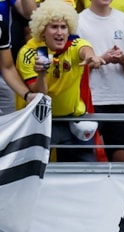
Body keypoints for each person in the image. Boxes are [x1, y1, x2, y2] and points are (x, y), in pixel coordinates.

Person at [16, 0, 105, 162]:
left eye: (63, 27)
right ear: (43, 30)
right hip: (44, 122)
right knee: (41, 172)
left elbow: (85, 50)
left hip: (74, 121)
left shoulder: (74, 44)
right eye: (54, 27)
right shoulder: (30, 52)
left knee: (86, 171)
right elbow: (38, 96)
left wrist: (92, 57)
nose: (60, 32)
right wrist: (42, 74)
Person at [78, 0, 124, 162]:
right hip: (90, 100)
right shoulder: (78, 21)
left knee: (122, 157)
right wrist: (101, 58)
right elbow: (74, 68)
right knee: (89, 157)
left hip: (121, 99)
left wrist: (121, 58)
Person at [0, 0, 36, 115]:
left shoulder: (1, 25)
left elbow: (7, 67)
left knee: (9, 125)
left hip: (4, 78)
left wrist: (27, 95)